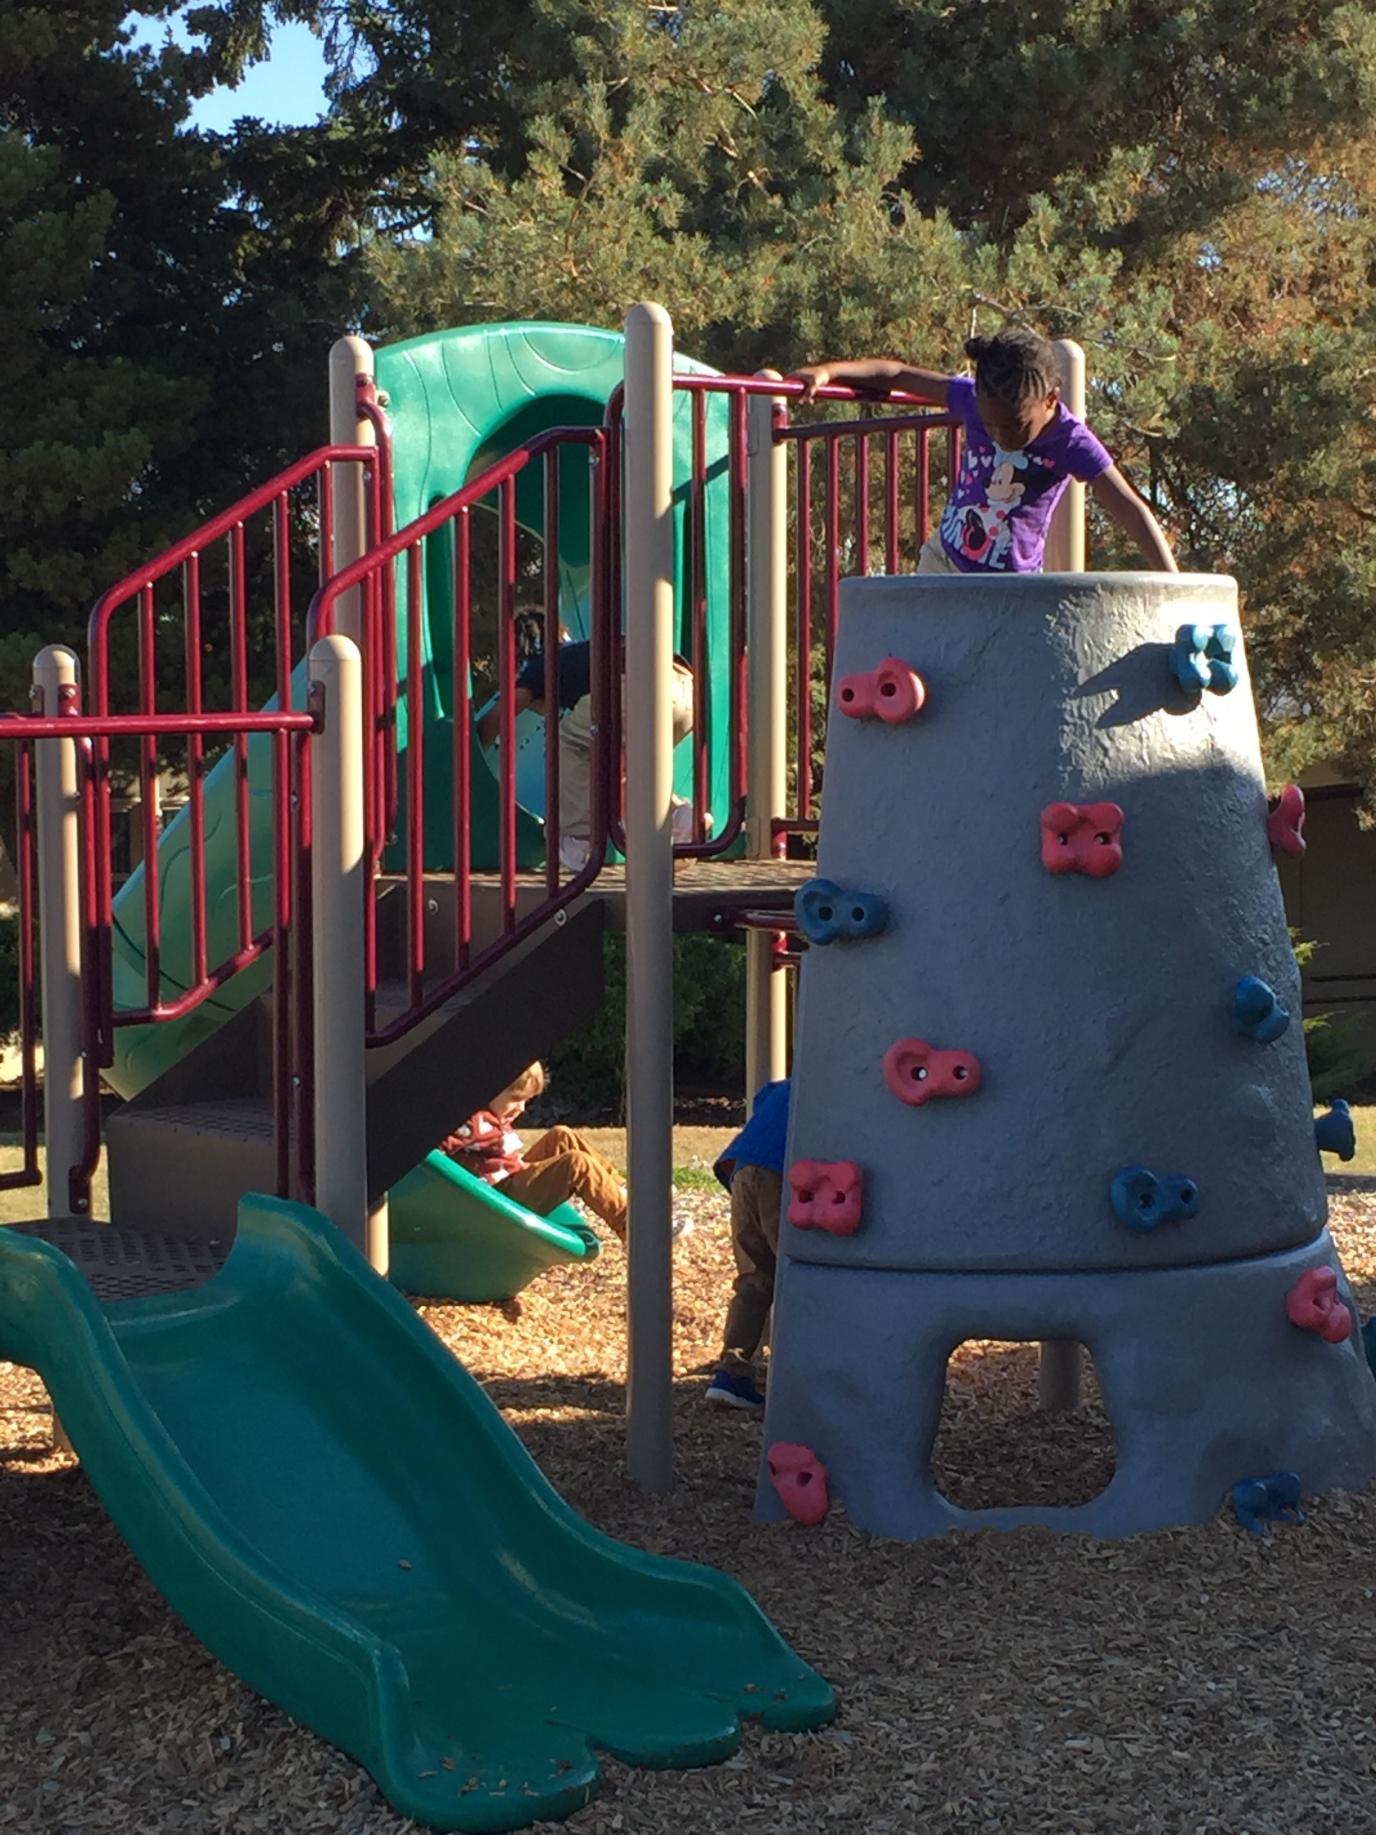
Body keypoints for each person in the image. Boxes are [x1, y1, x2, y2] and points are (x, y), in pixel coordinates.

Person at [788, 327, 1178, 576]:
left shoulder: (1070, 440)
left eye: (1015, 425)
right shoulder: (970, 398)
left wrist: (1176, 585)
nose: (1001, 435)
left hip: (1009, 583)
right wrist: (829, 372)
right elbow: (896, 374)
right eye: (990, 425)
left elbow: (1128, 507)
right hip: (944, 559)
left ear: (1051, 400)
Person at [476, 639, 700, 871]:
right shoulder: (579, 656)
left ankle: (580, 838)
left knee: (568, 745)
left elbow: (502, 714)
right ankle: (679, 816)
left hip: (636, 683)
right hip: (686, 691)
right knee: (635, 763)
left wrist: (471, 748)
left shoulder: (538, 667)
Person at [440, 1062, 629, 1242]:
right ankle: (628, 1225)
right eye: (515, 1099)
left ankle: (621, 1188)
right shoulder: (469, 1122)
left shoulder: (493, 1112)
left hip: (512, 1179)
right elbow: (433, 1154)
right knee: (576, 1164)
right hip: (498, 1199)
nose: (521, 1109)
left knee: (560, 1136)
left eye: (525, 1101)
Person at [705, 1078, 791, 1411]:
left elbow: (762, 1098)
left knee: (755, 1278)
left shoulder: (785, 1087)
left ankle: (732, 1374)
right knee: (798, 1269)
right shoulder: (832, 1087)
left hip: (742, 1166)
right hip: (781, 1171)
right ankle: (803, 1372)